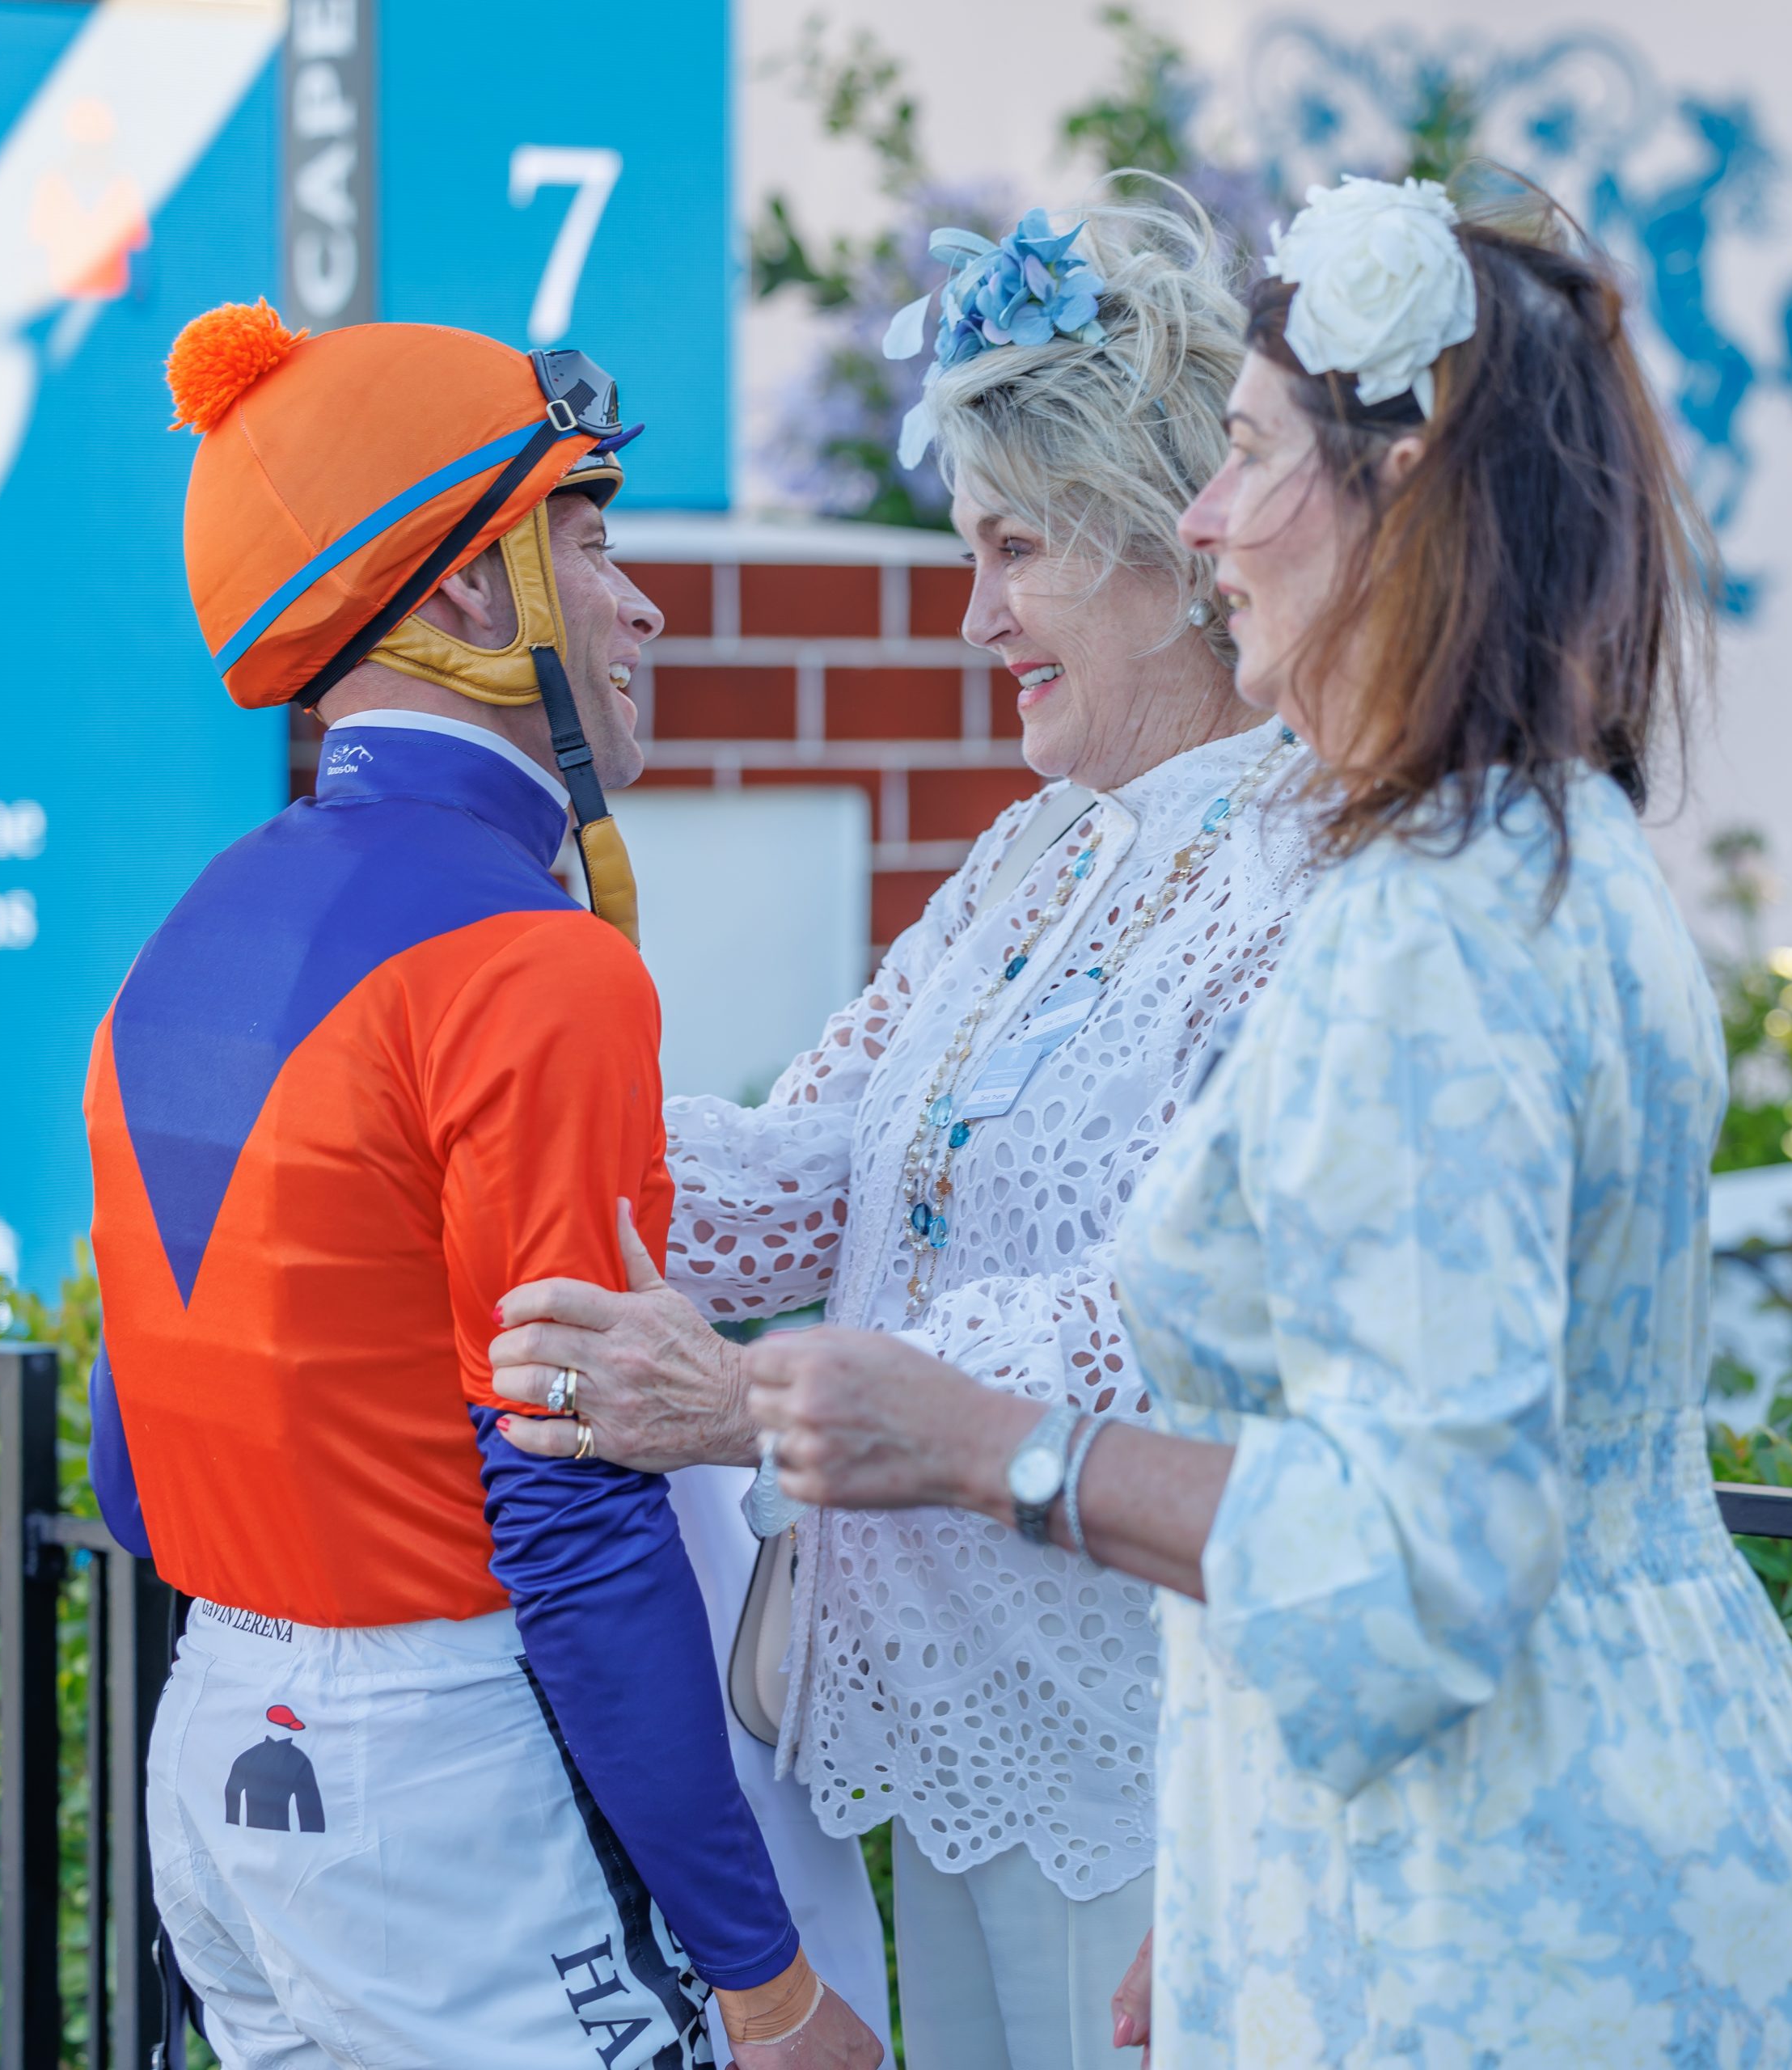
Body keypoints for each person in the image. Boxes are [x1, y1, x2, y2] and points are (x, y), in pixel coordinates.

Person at [721, 175, 1792, 2066]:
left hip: (1513, 1892)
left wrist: (992, 1445)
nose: (1199, 512)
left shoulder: (1426, 923)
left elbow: (1413, 1563)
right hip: (1488, 1830)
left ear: (1393, 498)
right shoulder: (1541, 841)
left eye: (1244, 453)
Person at [488, 188, 1313, 2070]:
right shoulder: (1025, 855)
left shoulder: (1302, 862)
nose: (973, 617)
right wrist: (487, 1080)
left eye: (1012, 550)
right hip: (953, 1724)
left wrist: (758, 1404)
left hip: (1150, 1751)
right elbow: (810, 1170)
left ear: (1172, 549)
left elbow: (1170, 1316)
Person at [82, 300, 881, 2070]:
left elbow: (134, 1469)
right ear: (462, 594)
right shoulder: (539, 967)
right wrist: (765, 1984)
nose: (641, 600)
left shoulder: (177, 937)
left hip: (220, 1758)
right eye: (589, 535)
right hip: (441, 1780)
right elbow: (578, 1524)